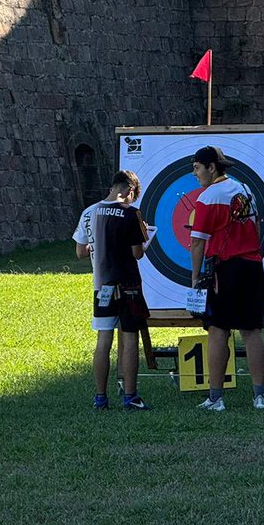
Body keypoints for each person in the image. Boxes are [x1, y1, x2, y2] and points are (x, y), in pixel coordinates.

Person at [188, 146, 264, 411]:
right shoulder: (244, 189)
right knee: (252, 330)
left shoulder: (210, 196)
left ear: (212, 168)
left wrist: (196, 278)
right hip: (253, 265)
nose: (195, 173)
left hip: (226, 269)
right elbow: (255, 227)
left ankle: (216, 398)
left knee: (218, 330)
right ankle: (259, 397)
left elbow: (198, 243)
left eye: (198, 168)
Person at [73, 170, 152, 411]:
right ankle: (130, 396)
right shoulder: (131, 214)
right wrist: (145, 235)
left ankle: (100, 397)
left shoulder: (90, 212)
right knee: (129, 338)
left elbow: (80, 252)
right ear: (129, 191)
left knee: (103, 340)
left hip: (102, 287)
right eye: (132, 196)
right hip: (127, 286)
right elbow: (137, 253)